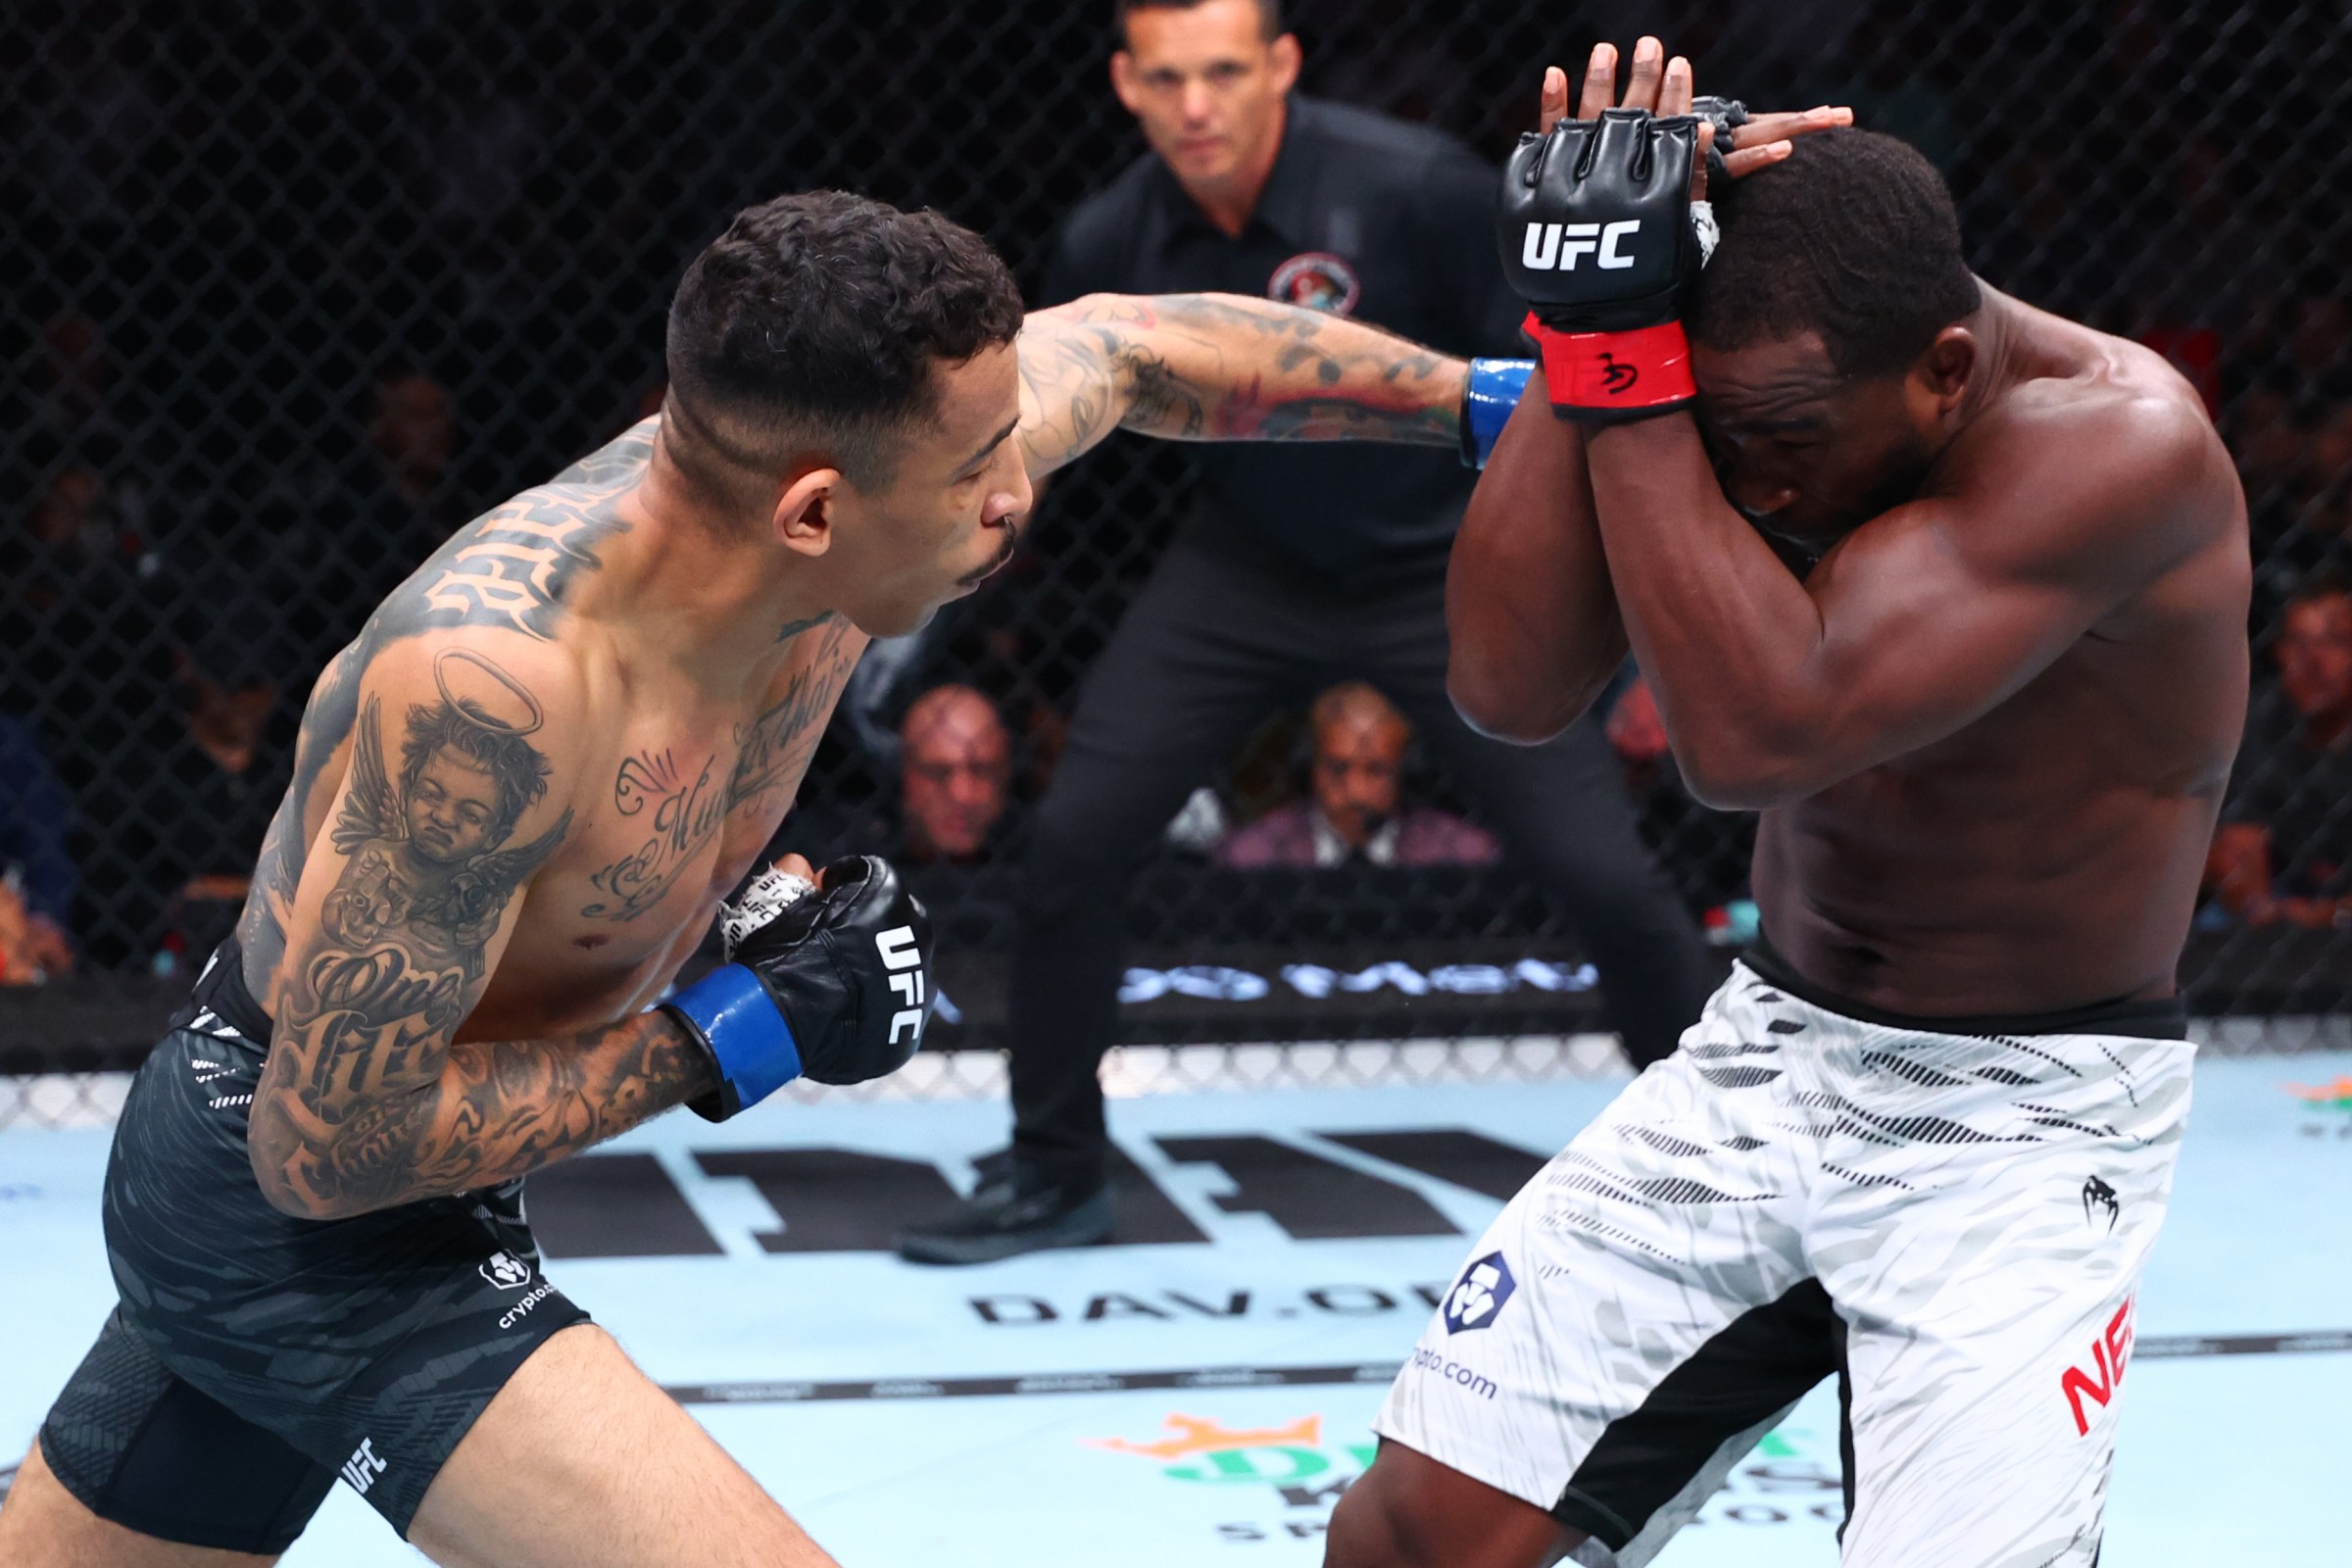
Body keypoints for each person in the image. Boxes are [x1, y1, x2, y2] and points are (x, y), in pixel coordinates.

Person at [0, 189, 1500, 1567]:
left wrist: (1492, 409)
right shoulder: (492, 693)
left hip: (414, 1162)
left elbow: (1143, 348)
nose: (1017, 492)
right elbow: (322, 1151)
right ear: (812, 513)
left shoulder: (876, 482)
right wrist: (734, 1033)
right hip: (301, 1221)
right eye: (980, 471)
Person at [1331, 43, 2245, 1568]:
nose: (1754, 492)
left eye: (1789, 446)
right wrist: (1586, 309)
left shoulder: (2115, 446)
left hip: (2021, 1117)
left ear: (1945, 369)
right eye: (1726, 442)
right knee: (1409, 1539)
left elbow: (1760, 735)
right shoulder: (1749, 379)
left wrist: (1634, 371)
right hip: (1776, 1052)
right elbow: (1507, 685)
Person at [894, 0, 1714, 1267]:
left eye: (1224, 71)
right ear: (1126, 84)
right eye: (1168, 78)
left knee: (1607, 878)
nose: (1198, 106)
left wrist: (1607, 616)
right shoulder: (1115, 235)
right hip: (1251, 567)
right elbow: (1040, 437)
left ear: (1282, 66)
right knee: (1073, 844)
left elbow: (1562, 388)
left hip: (1450, 561)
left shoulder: (1413, 188)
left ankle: (1725, 1173)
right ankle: (1055, 1170)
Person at [1214, 682, 1497, 868]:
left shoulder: (1465, 854)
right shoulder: (1250, 855)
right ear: (1309, 766)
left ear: (1406, 770)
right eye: (1337, 769)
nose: (1355, 791)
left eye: (1376, 770)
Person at [2206, 580, 2352, 926]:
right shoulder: (2254, 720)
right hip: (2280, 903)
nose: (2314, 660)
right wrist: (2266, 914)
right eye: (2298, 642)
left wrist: (2326, 916)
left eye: (2334, 641)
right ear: (2279, 653)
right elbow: (2238, 850)